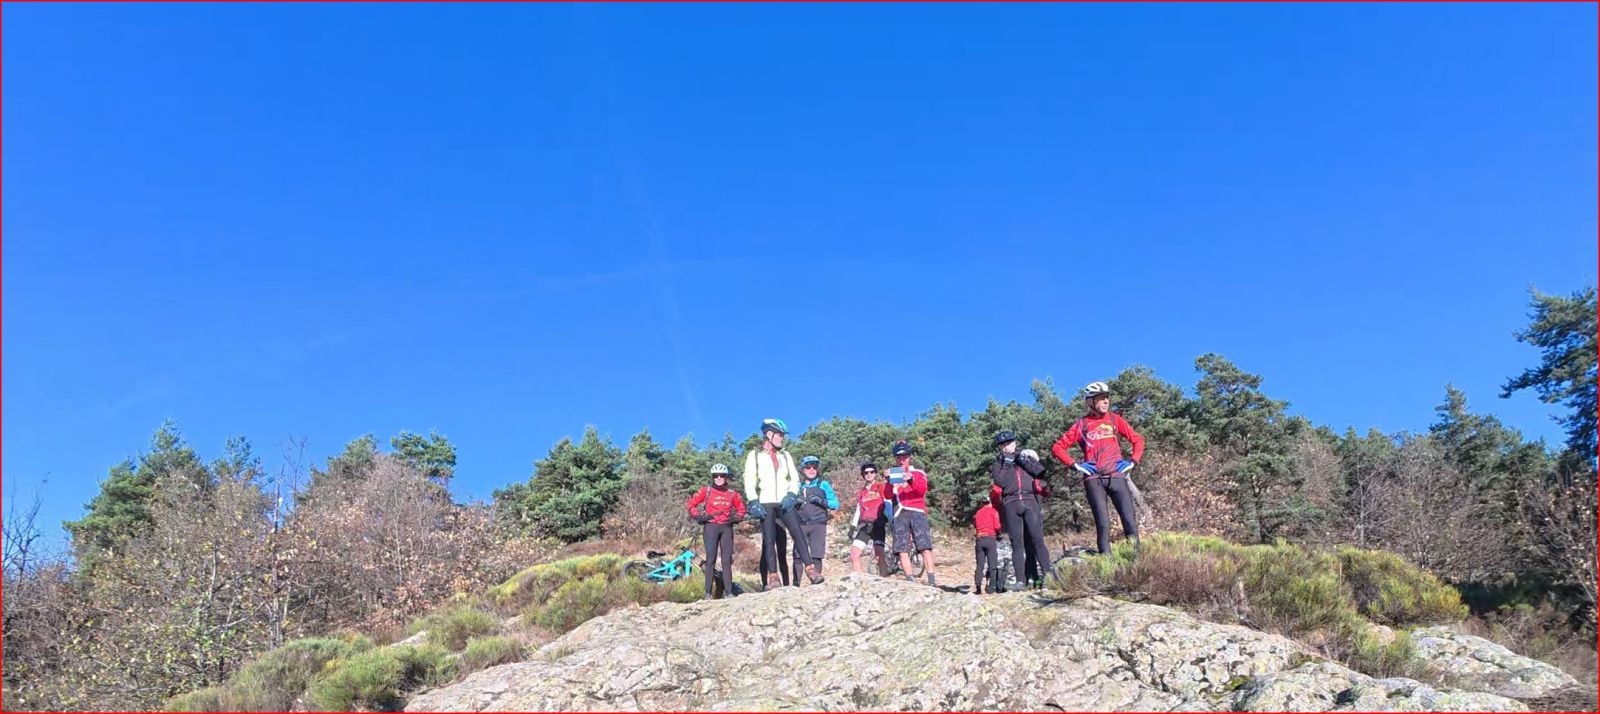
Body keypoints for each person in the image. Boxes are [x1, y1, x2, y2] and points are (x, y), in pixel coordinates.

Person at [1051, 381, 1146, 555]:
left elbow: (1138, 439)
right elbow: (1057, 448)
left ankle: (1137, 563)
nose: (1106, 401)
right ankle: (1106, 563)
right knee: (1103, 524)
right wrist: (1075, 465)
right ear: (1090, 402)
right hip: (1094, 480)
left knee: (1129, 521)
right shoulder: (1082, 424)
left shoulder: (1115, 420)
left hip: (1116, 476)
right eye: (1101, 398)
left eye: (1107, 398)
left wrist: (1133, 461)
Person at [743, 418, 822, 588]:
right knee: (769, 539)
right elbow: (749, 480)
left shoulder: (785, 455)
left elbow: (794, 478)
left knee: (797, 533)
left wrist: (792, 494)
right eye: (779, 434)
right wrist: (753, 500)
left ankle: (811, 570)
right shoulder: (754, 456)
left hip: (784, 501)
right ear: (768, 434)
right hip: (766, 502)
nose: (782, 438)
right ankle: (773, 577)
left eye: (782, 435)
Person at [990, 430, 1052, 589]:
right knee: (1016, 543)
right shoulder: (997, 464)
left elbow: (1040, 471)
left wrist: (1022, 459)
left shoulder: (1025, 457)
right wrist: (1007, 462)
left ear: (1014, 443)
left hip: (1030, 500)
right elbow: (1000, 482)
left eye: (1008, 443)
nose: (1005, 447)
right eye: (1002, 445)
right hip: (1011, 503)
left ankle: (1049, 577)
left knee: (1037, 540)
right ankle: (1020, 581)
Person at [685, 463, 747, 600]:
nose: (719, 478)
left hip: (726, 528)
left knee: (726, 560)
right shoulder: (705, 491)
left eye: (722, 475)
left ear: (726, 477)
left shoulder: (732, 493)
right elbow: (691, 505)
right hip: (711, 527)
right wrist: (698, 515)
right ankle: (708, 594)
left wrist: (736, 517)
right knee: (711, 559)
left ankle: (729, 593)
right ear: (712, 477)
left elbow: (742, 509)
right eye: (716, 476)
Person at [887, 440, 937, 586]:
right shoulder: (893, 473)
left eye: (905, 457)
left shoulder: (918, 472)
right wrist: (888, 480)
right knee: (902, 549)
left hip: (916, 511)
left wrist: (911, 480)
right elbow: (888, 495)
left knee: (924, 547)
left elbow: (922, 490)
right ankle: (910, 581)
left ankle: (932, 581)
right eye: (899, 457)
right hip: (899, 513)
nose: (902, 460)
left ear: (909, 457)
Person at [790, 455, 838, 585]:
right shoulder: (797, 486)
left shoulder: (823, 484)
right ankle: (796, 584)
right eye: (808, 467)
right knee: (798, 555)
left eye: (814, 467)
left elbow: (835, 504)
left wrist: (822, 501)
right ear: (803, 470)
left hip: (818, 524)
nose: (811, 470)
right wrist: (795, 502)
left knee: (817, 554)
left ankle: (816, 583)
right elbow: (787, 504)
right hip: (801, 524)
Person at [849, 461, 893, 575]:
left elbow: (888, 503)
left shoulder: (881, 487)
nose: (869, 474)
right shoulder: (862, 492)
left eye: (872, 472)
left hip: (878, 524)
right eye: (866, 473)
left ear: (875, 473)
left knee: (879, 555)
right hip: (865, 525)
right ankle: (859, 580)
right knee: (854, 554)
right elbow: (859, 509)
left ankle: (884, 580)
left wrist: (891, 520)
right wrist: (853, 526)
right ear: (863, 475)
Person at [972, 496, 1001, 594]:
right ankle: (991, 588)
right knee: (992, 564)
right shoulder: (993, 511)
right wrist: (999, 533)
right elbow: (997, 526)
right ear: (990, 502)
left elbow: (975, 525)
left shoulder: (978, 513)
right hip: (990, 539)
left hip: (980, 539)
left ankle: (978, 588)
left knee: (979, 565)